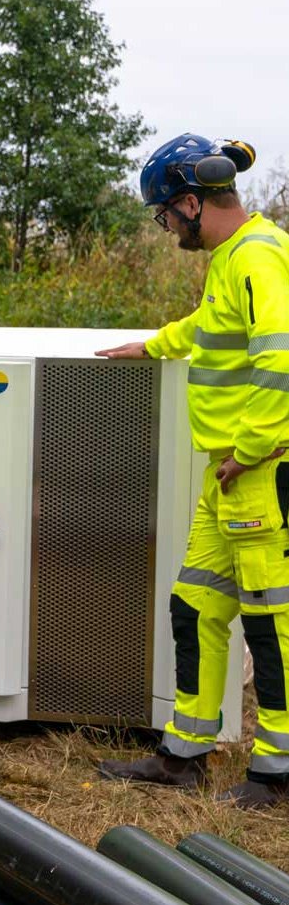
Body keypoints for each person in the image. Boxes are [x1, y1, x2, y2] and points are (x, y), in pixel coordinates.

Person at [95, 133, 289, 809]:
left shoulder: (258, 258)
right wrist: (150, 346)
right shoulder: (234, 259)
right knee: (197, 605)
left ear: (189, 202)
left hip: (259, 471)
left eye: (164, 215)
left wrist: (253, 447)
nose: (166, 228)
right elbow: (212, 331)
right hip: (229, 473)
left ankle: (275, 773)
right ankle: (184, 755)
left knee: (272, 622)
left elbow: (280, 359)